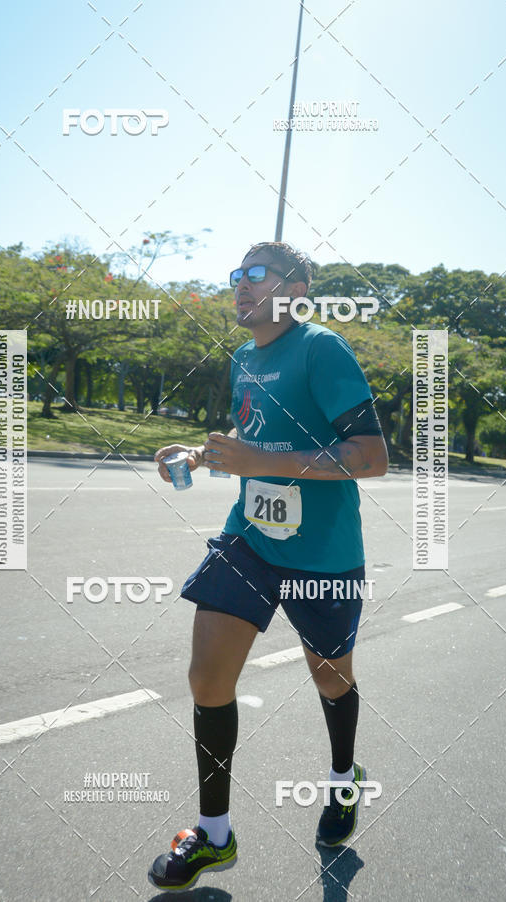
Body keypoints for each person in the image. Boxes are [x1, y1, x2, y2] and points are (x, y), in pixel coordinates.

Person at [148, 241, 389, 893]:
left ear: (297, 289)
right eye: (236, 275)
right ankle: (213, 836)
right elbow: (255, 442)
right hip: (250, 538)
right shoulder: (243, 359)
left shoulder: (321, 349)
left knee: (331, 678)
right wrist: (202, 457)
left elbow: (371, 457)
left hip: (324, 553)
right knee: (206, 676)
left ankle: (343, 782)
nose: (240, 285)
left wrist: (261, 463)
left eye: (257, 274)